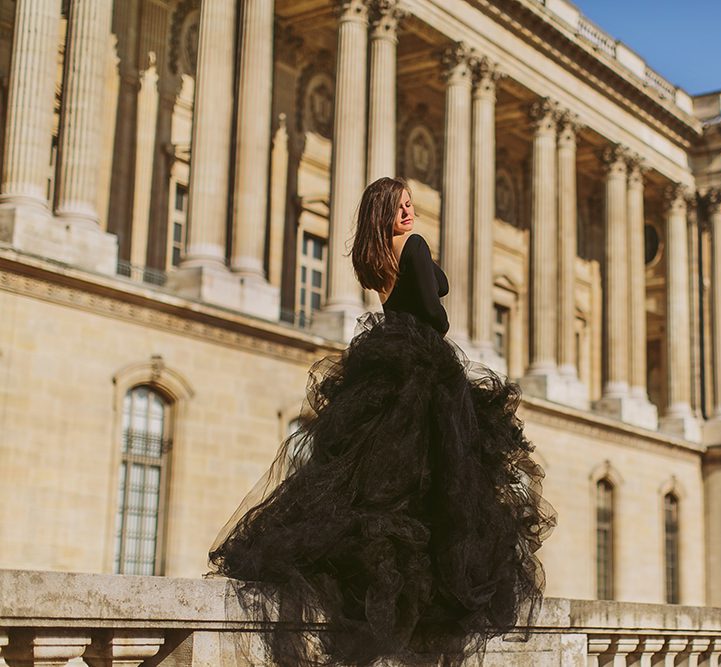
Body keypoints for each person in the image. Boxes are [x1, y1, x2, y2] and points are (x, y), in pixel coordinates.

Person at [208, 176, 557, 667]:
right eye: (401, 206)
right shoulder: (413, 245)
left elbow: (419, 289)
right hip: (425, 361)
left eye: (411, 205)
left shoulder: (374, 257)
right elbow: (436, 309)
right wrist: (432, 295)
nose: (410, 213)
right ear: (387, 212)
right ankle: (437, 592)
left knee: (375, 481)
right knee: (447, 479)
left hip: (386, 359)